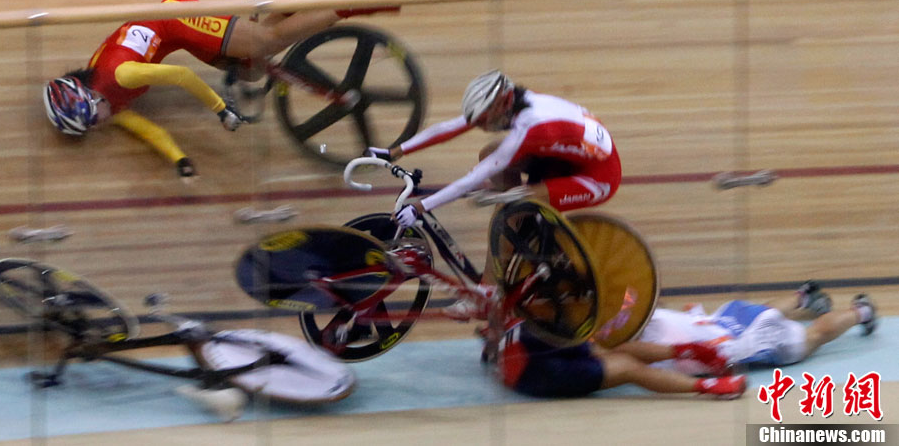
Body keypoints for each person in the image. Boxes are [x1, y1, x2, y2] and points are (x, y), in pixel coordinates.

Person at [43, 0, 388, 178]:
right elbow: (147, 130)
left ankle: (353, 2)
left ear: (89, 99)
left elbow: (181, 75)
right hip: (176, 36)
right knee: (252, 68)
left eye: (92, 121)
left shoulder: (121, 75)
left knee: (263, 43)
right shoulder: (105, 99)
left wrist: (221, 110)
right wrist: (179, 159)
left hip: (178, 17)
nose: (99, 126)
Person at [366, 70, 621, 319]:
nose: (481, 127)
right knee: (490, 158)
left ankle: (488, 293)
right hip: (561, 159)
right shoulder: (512, 103)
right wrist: (395, 151)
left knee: (509, 210)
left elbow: (472, 179)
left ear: (504, 104)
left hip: (596, 177)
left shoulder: (529, 127)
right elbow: (449, 127)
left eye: (483, 121)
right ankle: (520, 239)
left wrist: (420, 207)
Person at [636, 282, 879, 374]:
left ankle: (862, 311)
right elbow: (653, 297)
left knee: (813, 336)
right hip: (725, 317)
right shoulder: (642, 313)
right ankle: (803, 297)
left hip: (742, 341)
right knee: (763, 313)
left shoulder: (641, 354)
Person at [492, 317, 747, 400]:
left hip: (521, 353)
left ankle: (688, 351)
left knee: (606, 349)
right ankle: (707, 385)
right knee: (628, 368)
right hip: (537, 371)